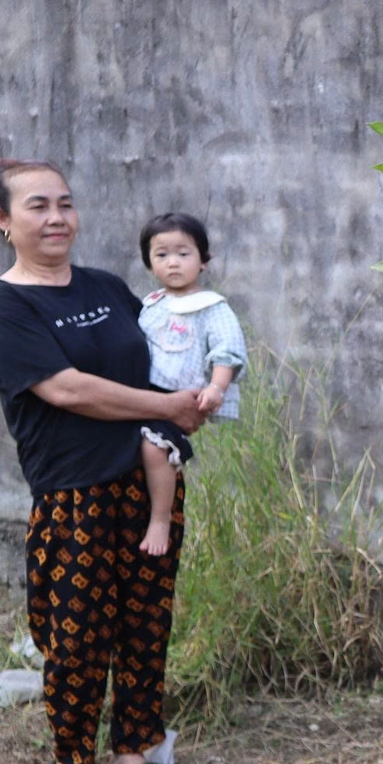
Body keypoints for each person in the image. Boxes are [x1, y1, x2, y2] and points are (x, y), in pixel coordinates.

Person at [0, 158, 209, 764]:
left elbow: (161, 356)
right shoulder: (5, 303)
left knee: (145, 622)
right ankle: (70, 756)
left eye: (65, 205)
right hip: (72, 491)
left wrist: (198, 395)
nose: (57, 219)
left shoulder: (106, 287)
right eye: (38, 206)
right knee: (74, 632)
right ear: (4, 219)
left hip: (147, 481)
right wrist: (164, 406)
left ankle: (133, 748)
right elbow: (67, 389)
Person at [134, 212, 246, 556]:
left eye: (183, 254)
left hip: (181, 396)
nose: (173, 263)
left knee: (156, 450)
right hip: (142, 394)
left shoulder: (211, 307)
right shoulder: (150, 305)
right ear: (150, 263)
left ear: (203, 261)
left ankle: (160, 518)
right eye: (162, 255)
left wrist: (216, 388)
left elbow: (227, 351)